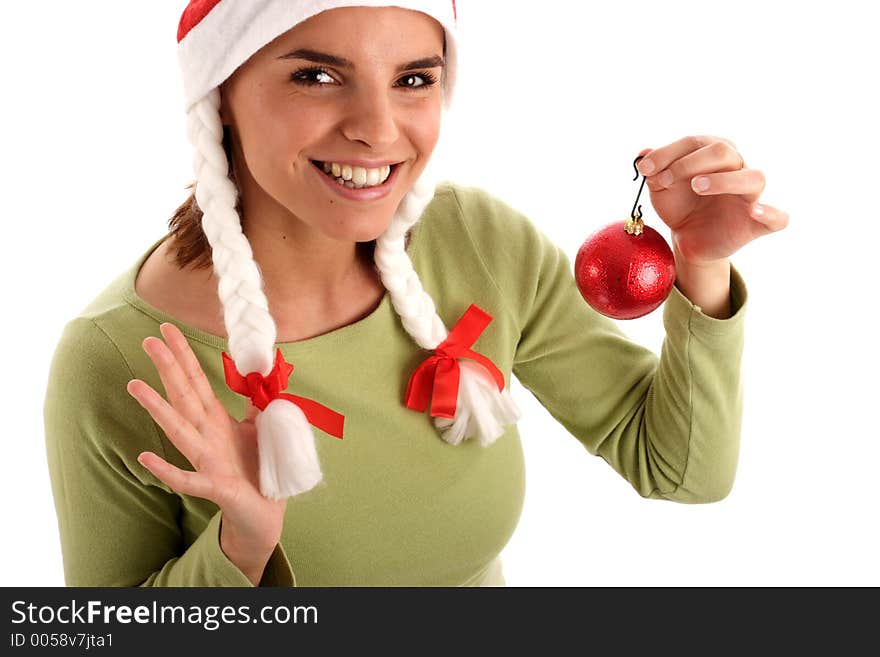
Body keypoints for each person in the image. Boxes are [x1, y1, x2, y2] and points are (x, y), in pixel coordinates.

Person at [43, 0, 788, 587]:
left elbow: (679, 468)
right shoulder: (118, 360)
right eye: (316, 75)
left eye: (413, 79)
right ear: (221, 93)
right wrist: (239, 548)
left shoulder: (477, 242)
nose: (377, 129)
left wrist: (702, 264)